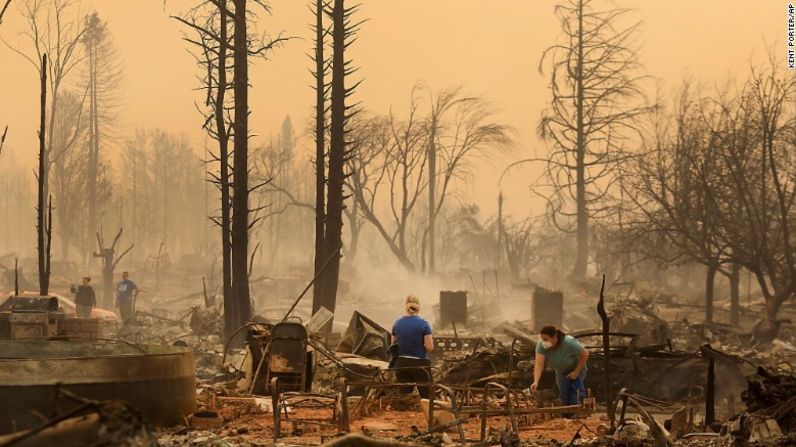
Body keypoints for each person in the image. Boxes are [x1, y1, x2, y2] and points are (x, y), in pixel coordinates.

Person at [530, 325, 589, 408]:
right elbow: (539, 364)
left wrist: (576, 371)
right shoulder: (542, 345)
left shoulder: (569, 342)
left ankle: (577, 411)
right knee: (563, 392)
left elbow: (585, 354)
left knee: (575, 392)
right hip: (561, 371)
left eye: (546, 339)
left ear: (554, 337)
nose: (543, 342)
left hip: (577, 369)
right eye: (542, 339)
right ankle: (567, 414)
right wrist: (536, 381)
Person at [390, 295, 434, 398]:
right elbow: (430, 348)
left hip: (401, 364)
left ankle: (402, 410)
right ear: (418, 307)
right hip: (418, 364)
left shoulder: (396, 323)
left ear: (406, 306)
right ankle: (429, 410)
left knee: (404, 397)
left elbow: (393, 347)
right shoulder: (424, 324)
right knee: (428, 396)